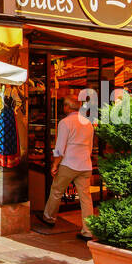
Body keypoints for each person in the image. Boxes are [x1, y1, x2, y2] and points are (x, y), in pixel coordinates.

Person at [38, 96, 96, 240]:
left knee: (57, 191)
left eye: (63, 106)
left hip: (69, 163)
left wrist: (54, 164)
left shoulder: (65, 122)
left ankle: (49, 217)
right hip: (85, 164)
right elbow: (90, 146)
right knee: (86, 198)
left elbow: (59, 148)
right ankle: (88, 231)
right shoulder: (88, 123)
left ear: (67, 107)